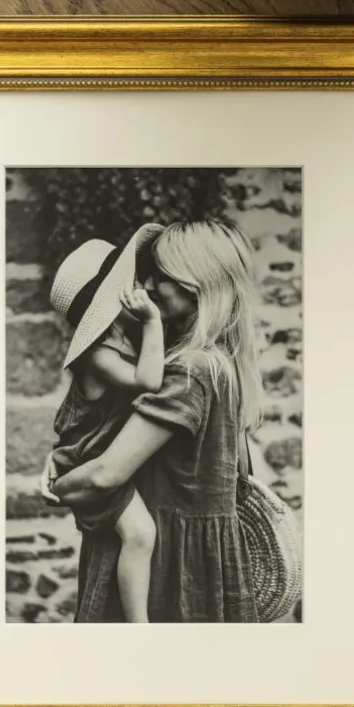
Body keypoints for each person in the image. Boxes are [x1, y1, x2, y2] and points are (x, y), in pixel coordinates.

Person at [49, 219, 264, 623]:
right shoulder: (218, 364)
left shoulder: (190, 371)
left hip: (170, 568)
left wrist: (58, 484)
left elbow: (105, 476)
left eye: (161, 276)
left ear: (195, 284)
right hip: (196, 561)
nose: (148, 285)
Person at [42, 225, 166, 623]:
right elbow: (149, 381)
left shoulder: (124, 339)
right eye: (132, 285)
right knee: (140, 534)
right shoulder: (99, 355)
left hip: (102, 448)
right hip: (89, 455)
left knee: (138, 535)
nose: (144, 288)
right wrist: (153, 321)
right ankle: (138, 625)